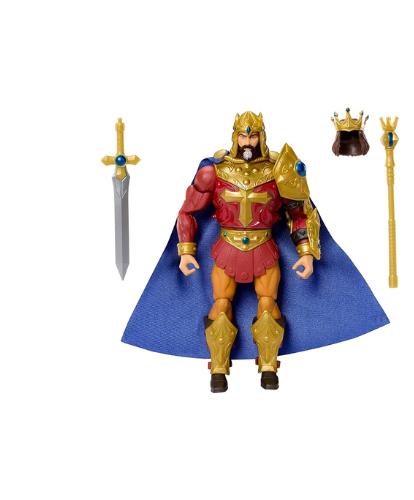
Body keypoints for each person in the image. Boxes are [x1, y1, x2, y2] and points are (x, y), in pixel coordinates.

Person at [121, 111, 389, 393]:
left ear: (261, 136)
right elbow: (188, 211)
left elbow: (299, 214)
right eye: (242, 135)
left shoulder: (278, 170)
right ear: (234, 136)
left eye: (253, 136)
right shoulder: (214, 171)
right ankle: (219, 368)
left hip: (264, 247)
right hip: (227, 248)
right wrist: (186, 250)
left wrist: (306, 252)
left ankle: (268, 366)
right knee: (220, 307)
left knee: (268, 307)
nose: (247, 142)